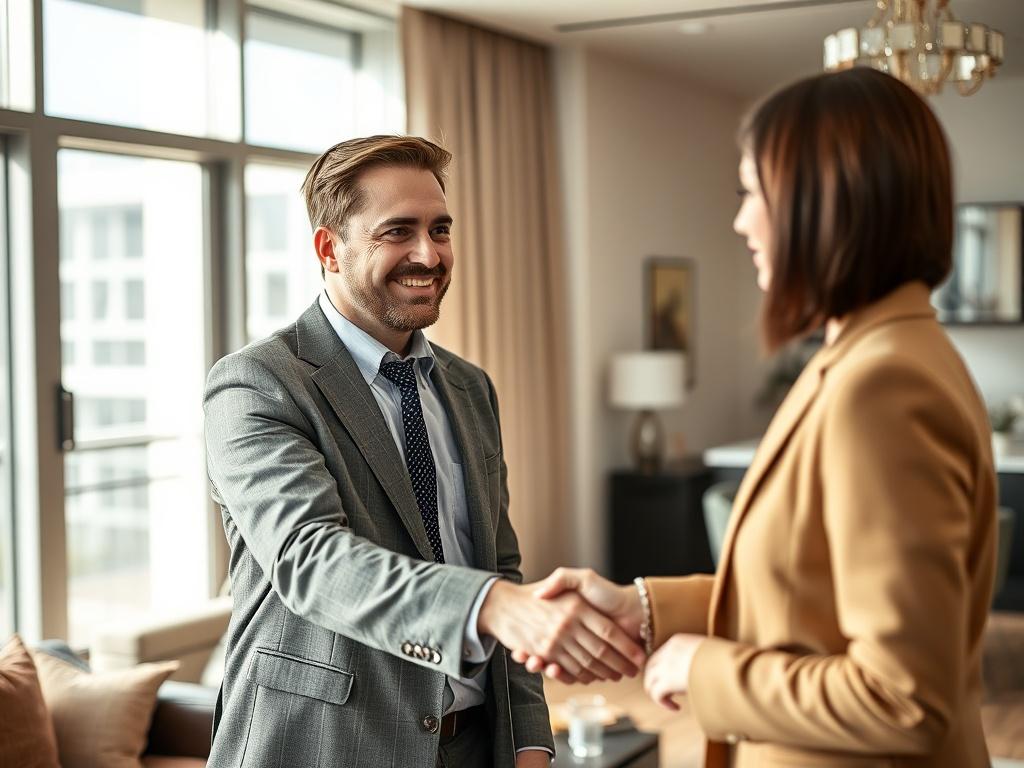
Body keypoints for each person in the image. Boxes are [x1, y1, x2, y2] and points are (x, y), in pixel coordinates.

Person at [516, 68, 998, 767]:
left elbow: (905, 697)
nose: (741, 220)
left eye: (751, 191)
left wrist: (703, 668)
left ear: (826, 200)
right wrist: (645, 609)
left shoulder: (882, 384)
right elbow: (807, 595)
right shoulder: (875, 355)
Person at [203, 135, 645, 768]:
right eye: (398, 231)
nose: (429, 253)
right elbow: (312, 561)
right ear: (330, 248)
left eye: (440, 229)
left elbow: (502, 565)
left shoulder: (469, 387)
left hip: (471, 744)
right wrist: (492, 607)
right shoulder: (257, 384)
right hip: (325, 745)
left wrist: (529, 736)